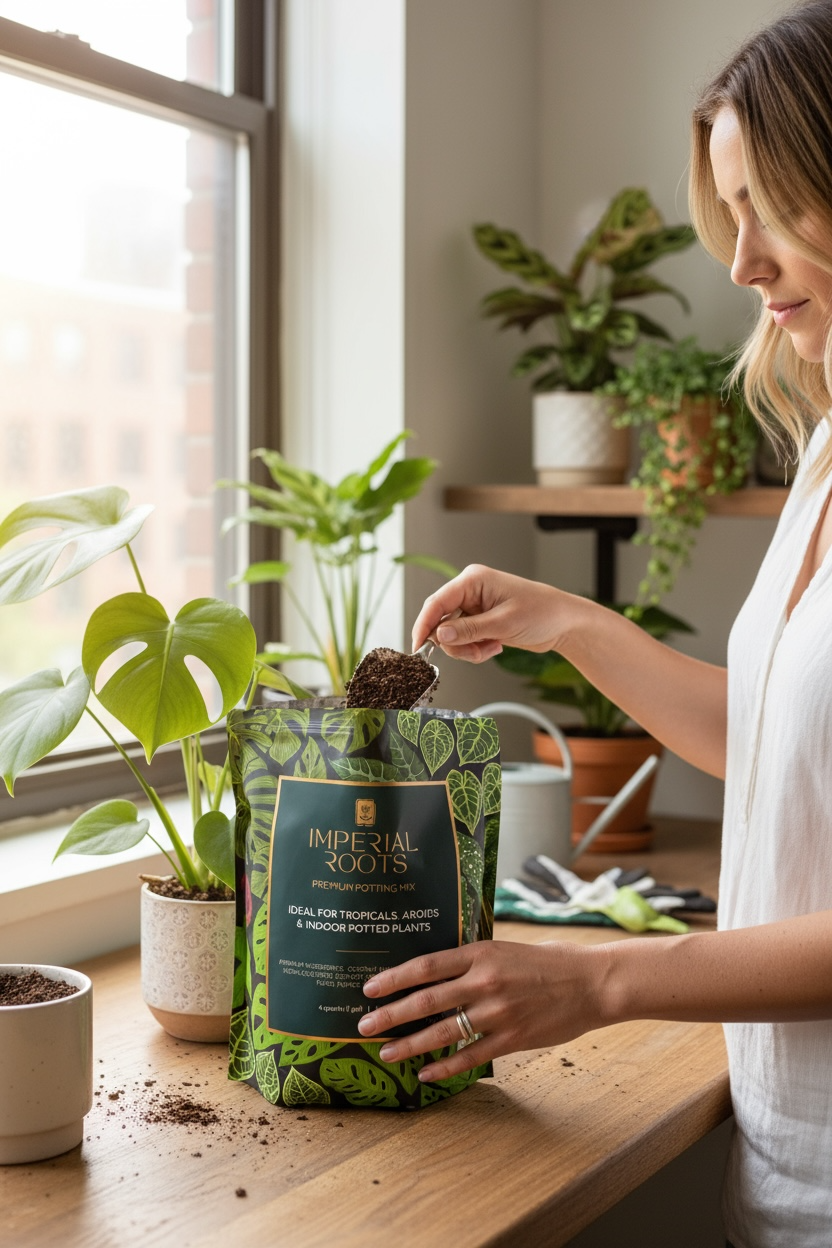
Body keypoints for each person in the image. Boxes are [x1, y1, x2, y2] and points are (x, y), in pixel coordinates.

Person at [356, 3, 832, 1244]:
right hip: (790, 1164)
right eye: (729, 213)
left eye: (770, 208)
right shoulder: (826, 447)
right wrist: (568, 622)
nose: (739, 262)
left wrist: (601, 975)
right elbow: (786, 750)